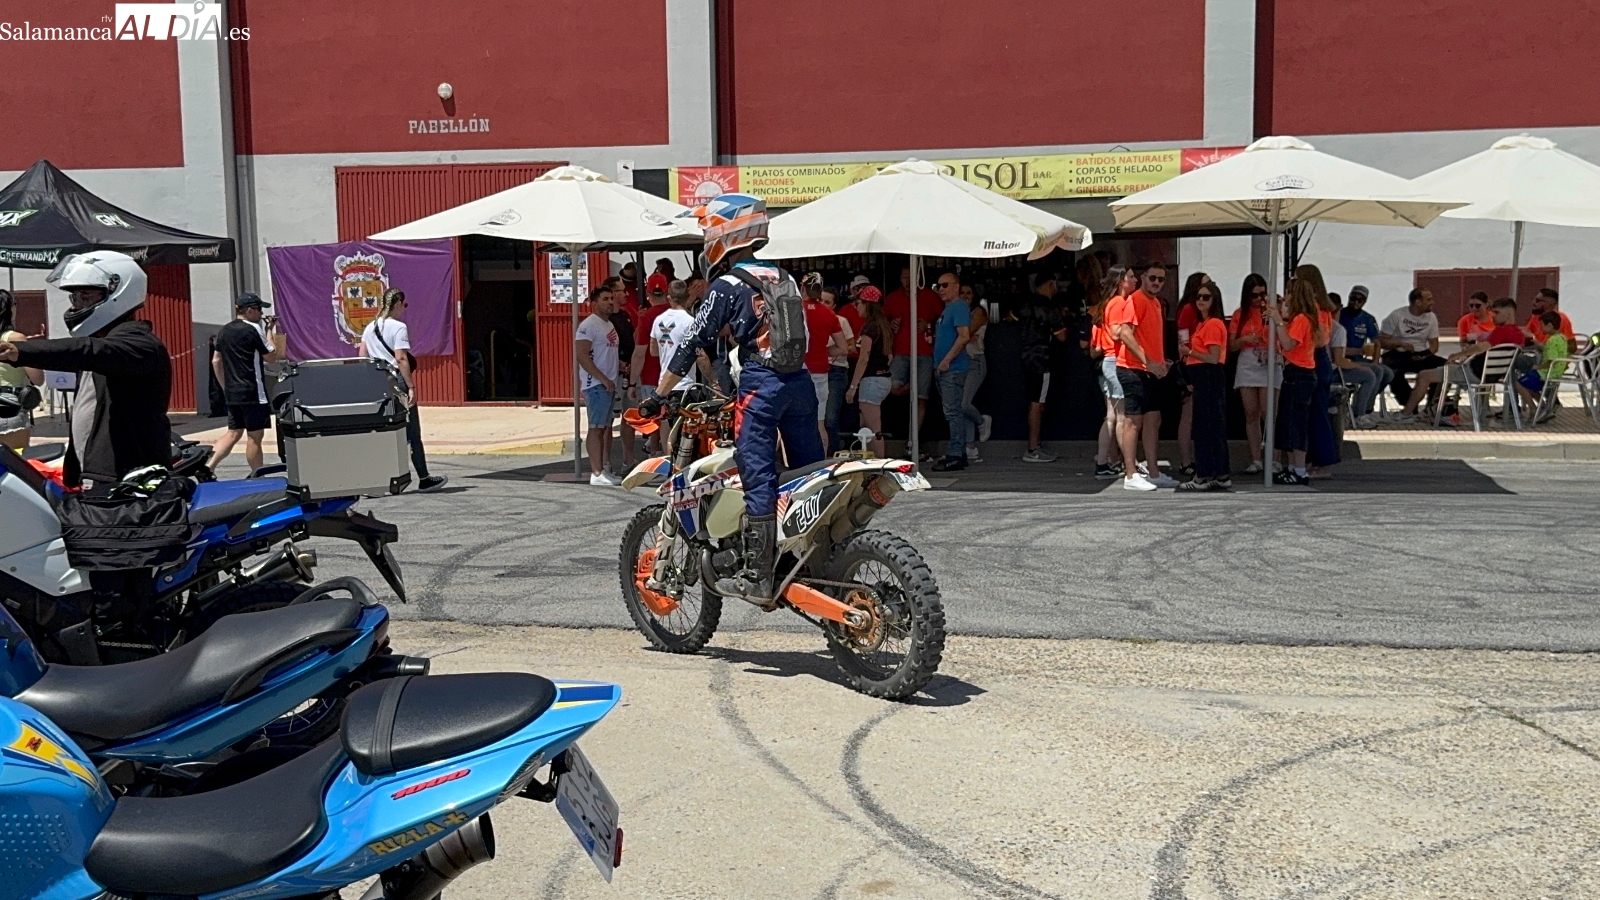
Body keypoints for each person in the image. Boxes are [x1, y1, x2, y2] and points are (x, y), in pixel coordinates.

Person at [652, 193, 823, 603]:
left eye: (708, 230)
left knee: (757, 473)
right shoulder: (784, 277)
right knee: (809, 470)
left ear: (724, 234)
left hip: (761, 386)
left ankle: (758, 575)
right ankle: (819, 559)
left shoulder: (727, 284)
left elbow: (694, 341)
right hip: (800, 384)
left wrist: (658, 395)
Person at [0, 252, 171, 490]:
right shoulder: (103, 343)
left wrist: (18, 351)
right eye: (74, 296)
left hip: (129, 482)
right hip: (98, 477)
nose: (75, 305)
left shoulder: (138, 345)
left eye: (85, 296)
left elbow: (86, 350)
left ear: (117, 292)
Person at [358, 289, 447, 492]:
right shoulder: (399, 327)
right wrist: (411, 387)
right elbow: (401, 358)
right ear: (397, 303)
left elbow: (362, 357)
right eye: (403, 305)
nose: (403, 310)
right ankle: (424, 478)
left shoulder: (370, 327)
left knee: (383, 430)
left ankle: (376, 481)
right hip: (396, 381)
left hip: (377, 382)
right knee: (412, 431)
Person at [1109, 262, 1174, 490]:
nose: (1156, 282)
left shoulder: (1154, 302)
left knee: (1153, 420)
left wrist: (1159, 361)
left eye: (1160, 279)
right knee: (1133, 421)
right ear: (1143, 277)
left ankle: (1153, 472)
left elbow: (1147, 337)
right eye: (1152, 278)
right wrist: (1149, 362)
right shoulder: (1136, 300)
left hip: (1149, 370)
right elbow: (1126, 333)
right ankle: (1131, 475)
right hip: (1133, 368)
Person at [208, 293, 282, 472]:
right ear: (249, 311)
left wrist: (225, 387)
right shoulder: (253, 329)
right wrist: (270, 330)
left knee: (233, 432)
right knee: (254, 436)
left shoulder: (224, 330)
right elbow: (272, 356)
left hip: (233, 392)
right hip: (252, 391)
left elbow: (216, 361)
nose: (261, 313)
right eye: (259, 309)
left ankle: (208, 466)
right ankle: (257, 474)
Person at [1268, 279, 1322, 486]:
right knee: (1289, 421)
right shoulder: (1302, 318)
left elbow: (1289, 343)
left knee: (1296, 423)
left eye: (1288, 293)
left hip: (1300, 373)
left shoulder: (1301, 319)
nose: (1285, 297)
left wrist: (1278, 321)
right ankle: (1292, 467)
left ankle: (1299, 469)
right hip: (1297, 372)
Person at [1178, 281, 1230, 491]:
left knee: (1206, 427)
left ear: (1214, 300)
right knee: (1211, 426)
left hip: (1208, 375)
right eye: (1198, 296)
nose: (1200, 300)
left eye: (1206, 297)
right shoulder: (1203, 324)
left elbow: (1213, 357)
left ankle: (1204, 474)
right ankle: (1219, 473)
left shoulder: (1213, 324)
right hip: (1204, 376)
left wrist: (1190, 352)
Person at [1090, 266, 1137, 479]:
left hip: (1108, 361)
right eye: (1131, 277)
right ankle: (1129, 465)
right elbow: (1118, 333)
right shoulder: (1119, 302)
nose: (1135, 280)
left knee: (1111, 417)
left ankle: (1103, 463)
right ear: (1121, 281)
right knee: (1121, 417)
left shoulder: (1109, 303)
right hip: (1116, 360)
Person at [575, 285, 623, 486]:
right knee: (596, 428)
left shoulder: (608, 325)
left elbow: (606, 353)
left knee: (604, 428)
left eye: (611, 298)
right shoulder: (588, 325)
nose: (610, 302)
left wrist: (620, 366)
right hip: (595, 385)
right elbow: (582, 356)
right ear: (594, 304)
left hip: (609, 384)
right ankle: (596, 472)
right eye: (605, 299)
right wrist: (602, 378)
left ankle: (602, 469)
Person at [884, 266, 939, 437]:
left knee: (922, 398)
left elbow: (944, 321)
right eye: (905, 277)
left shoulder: (930, 296)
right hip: (901, 351)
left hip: (925, 351)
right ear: (900, 279)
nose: (908, 281)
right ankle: (914, 386)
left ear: (918, 278)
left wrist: (928, 324)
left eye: (911, 277)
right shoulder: (893, 297)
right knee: (890, 386)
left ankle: (913, 439)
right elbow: (882, 322)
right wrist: (890, 324)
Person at [930, 271, 976, 472]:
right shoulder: (949, 309)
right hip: (945, 368)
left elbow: (964, 336)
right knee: (952, 411)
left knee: (952, 412)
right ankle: (958, 453)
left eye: (945, 285)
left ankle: (956, 454)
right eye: (938, 285)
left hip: (952, 369)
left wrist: (947, 361)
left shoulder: (958, 307)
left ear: (956, 286)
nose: (941, 289)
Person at [1017, 274, 1066, 463]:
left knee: (1034, 401)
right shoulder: (1049, 307)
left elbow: (1010, 317)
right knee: (1037, 404)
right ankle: (1033, 449)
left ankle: (1035, 445)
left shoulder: (1025, 304)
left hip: (1025, 357)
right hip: (1042, 359)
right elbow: (1061, 336)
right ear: (1051, 284)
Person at [1230, 274, 1275, 474]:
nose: (1258, 299)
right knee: (1251, 412)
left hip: (1268, 359)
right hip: (1248, 359)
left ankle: (1274, 458)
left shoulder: (1271, 311)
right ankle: (1256, 458)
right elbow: (1231, 345)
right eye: (1254, 295)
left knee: (1268, 412)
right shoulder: (1240, 314)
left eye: (1262, 294)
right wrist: (1245, 339)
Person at [1379, 288, 1446, 419]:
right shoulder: (1397, 316)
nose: (1432, 302)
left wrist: (1425, 355)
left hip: (1421, 352)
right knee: (1393, 372)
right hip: (1396, 352)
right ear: (1418, 302)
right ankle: (1410, 406)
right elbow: (1382, 341)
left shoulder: (1431, 317)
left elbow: (1434, 345)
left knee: (1444, 367)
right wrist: (1400, 344)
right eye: (1429, 300)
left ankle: (1432, 405)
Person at [845, 286, 892, 459]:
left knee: (873, 429)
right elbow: (890, 356)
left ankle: (880, 464)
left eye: (858, 303)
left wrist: (853, 386)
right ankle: (871, 461)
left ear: (867, 304)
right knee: (865, 424)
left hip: (871, 380)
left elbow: (863, 358)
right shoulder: (884, 326)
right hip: (883, 378)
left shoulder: (869, 328)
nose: (855, 307)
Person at [1173, 271, 1212, 478]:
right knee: (1188, 414)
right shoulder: (1188, 309)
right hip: (1191, 364)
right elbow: (1182, 339)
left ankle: (1197, 459)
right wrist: (1186, 364)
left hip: (1203, 364)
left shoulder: (1206, 312)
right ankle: (1186, 460)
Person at [801, 272, 846, 450]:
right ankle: (821, 461)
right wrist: (821, 351)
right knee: (820, 424)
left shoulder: (794, 309)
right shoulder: (829, 314)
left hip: (797, 371)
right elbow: (843, 348)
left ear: (802, 288)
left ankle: (794, 463)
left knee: (792, 423)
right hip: (820, 372)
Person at [630, 272, 672, 452]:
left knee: (654, 420)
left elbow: (639, 352)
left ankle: (655, 454)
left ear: (648, 293)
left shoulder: (647, 317)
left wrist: (632, 382)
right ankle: (669, 455)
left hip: (650, 375)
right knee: (670, 418)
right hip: (675, 375)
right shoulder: (679, 313)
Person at [0, 290, 43, 451]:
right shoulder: (15, 339)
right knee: (14, 460)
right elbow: (38, 379)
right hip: (8, 406)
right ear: (8, 309)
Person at [603, 277, 638, 473]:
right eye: (622, 291)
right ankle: (605, 463)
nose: (626, 294)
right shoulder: (604, 320)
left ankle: (628, 460)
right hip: (611, 376)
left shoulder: (625, 315)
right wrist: (618, 363)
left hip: (628, 375)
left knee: (629, 416)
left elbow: (632, 341)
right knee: (608, 420)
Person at [1516, 310, 1570, 419]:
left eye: (1541, 326)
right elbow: (1551, 352)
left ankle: (1537, 408)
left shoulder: (1551, 341)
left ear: (1549, 325)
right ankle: (1544, 407)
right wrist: (1537, 343)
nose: (1540, 329)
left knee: (1518, 383)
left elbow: (1551, 360)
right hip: (1556, 373)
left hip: (1545, 374)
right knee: (1528, 386)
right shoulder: (1562, 338)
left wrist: (1538, 367)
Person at [820, 287, 855, 454]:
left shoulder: (841, 321)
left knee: (830, 418)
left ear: (834, 306)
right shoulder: (809, 318)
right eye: (820, 300)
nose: (822, 304)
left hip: (836, 370)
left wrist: (834, 350)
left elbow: (851, 347)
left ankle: (832, 453)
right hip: (816, 369)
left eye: (827, 302)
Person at [959, 279, 991, 461]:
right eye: (962, 293)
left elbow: (965, 334)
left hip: (975, 360)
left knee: (963, 404)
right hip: (961, 360)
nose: (965, 296)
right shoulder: (958, 312)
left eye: (968, 293)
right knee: (963, 403)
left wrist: (962, 336)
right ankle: (970, 446)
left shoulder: (978, 312)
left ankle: (982, 421)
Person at [650, 280, 697, 395]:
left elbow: (653, 351)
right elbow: (700, 355)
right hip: (685, 385)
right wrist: (713, 381)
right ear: (687, 297)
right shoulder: (690, 321)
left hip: (664, 386)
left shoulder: (658, 320)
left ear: (669, 298)